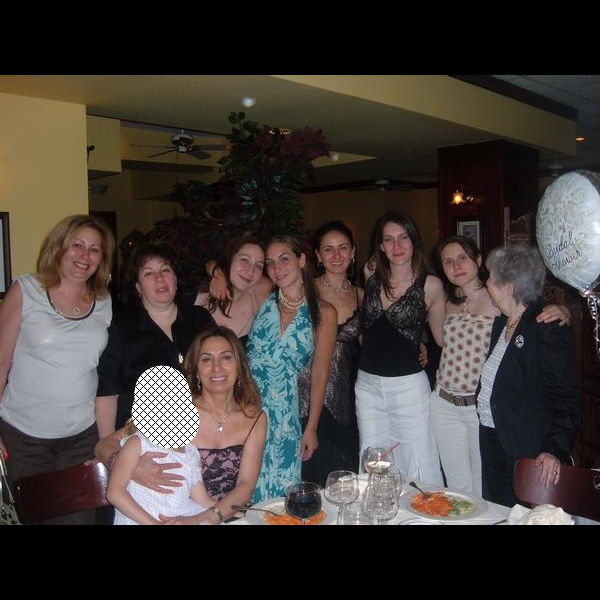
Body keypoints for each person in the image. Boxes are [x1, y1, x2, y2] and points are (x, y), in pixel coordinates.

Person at [431, 235, 570, 495]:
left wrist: (564, 310)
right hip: (466, 414)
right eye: (447, 261)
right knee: (465, 489)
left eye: (462, 258)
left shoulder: (521, 316)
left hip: (500, 424)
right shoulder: (498, 321)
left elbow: (564, 395)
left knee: (485, 491)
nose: (456, 265)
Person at [0, 214, 115, 524]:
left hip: (80, 438)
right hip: (23, 439)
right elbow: (1, 361)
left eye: (94, 249)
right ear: (59, 247)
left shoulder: (104, 302)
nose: (85, 255)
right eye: (77, 245)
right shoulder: (26, 289)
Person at [477, 244, 580, 507]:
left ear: (508, 287)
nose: (486, 284)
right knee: (496, 513)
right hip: (493, 438)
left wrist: (553, 450)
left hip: (526, 450)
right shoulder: (504, 322)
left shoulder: (546, 326)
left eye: (490, 278)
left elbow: (567, 397)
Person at [95, 242, 215, 465]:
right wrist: (108, 448)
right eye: (148, 273)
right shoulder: (122, 327)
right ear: (138, 287)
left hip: (202, 435)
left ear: (175, 279)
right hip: (143, 444)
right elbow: (107, 391)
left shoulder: (199, 319)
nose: (159, 278)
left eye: (165, 270)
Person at [356, 211, 445, 485]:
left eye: (403, 237)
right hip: (367, 385)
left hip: (408, 386)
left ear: (414, 241)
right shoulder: (370, 274)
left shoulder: (431, 285)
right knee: (373, 458)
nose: (396, 246)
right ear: (381, 246)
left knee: (418, 456)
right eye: (388, 239)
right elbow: (368, 329)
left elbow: (442, 337)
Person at [246, 235, 337, 502]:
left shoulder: (324, 313)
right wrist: (216, 271)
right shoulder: (262, 294)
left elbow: (320, 374)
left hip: (284, 414)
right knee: (244, 490)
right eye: (270, 263)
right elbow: (232, 268)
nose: (277, 268)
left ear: (302, 260)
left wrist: (311, 428)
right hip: (245, 407)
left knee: (280, 494)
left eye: (284, 259)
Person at [159, 326, 267, 524]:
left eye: (226, 357)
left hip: (229, 516)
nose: (217, 367)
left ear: (239, 366)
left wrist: (207, 519)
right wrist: (135, 468)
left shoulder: (255, 418)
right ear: (196, 370)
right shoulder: (175, 409)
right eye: (206, 359)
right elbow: (113, 443)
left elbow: (245, 485)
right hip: (176, 516)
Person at [297, 221, 362, 485]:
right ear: (318, 255)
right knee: (308, 473)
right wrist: (217, 270)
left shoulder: (361, 294)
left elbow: (374, 340)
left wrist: (419, 345)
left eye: (343, 248)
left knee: (342, 475)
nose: (336, 255)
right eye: (328, 249)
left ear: (353, 252)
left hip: (346, 394)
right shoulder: (303, 289)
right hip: (305, 391)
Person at [194, 234, 272, 346]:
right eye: (244, 260)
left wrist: (216, 270)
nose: (250, 271)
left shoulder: (261, 292)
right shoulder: (194, 296)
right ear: (230, 258)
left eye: (258, 266)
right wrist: (217, 271)